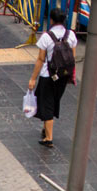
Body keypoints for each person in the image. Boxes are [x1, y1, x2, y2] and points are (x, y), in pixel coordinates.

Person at [27, 8, 77, 148]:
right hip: (63, 76)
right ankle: (46, 129)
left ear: (52, 20)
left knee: (47, 103)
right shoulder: (71, 35)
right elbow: (72, 58)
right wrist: (72, 76)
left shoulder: (46, 37)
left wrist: (33, 79)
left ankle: (48, 138)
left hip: (48, 75)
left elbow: (40, 59)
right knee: (55, 100)